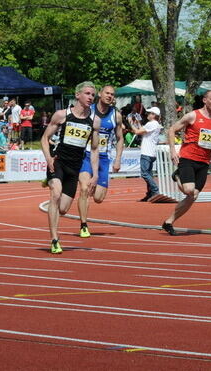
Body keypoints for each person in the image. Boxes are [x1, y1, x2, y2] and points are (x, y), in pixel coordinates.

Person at [40, 82, 101, 254]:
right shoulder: (61, 115)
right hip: (58, 162)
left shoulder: (95, 121)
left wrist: (95, 174)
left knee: (63, 208)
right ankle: (54, 239)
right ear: (77, 95)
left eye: (92, 95)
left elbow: (95, 149)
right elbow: (44, 139)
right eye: (87, 94)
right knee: (55, 194)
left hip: (75, 168)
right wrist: (49, 159)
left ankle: (51, 183)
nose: (91, 97)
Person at [162, 90, 211, 235]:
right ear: (204, 100)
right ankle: (178, 175)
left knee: (193, 196)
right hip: (188, 158)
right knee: (189, 190)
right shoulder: (193, 116)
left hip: (204, 162)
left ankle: (169, 222)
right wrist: (172, 150)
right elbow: (172, 130)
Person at [76, 85, 124, 237]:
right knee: (84, 189)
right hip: (86, 156)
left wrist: (117, 159)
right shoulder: (88, 111)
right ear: (100, 94)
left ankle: (87, 199)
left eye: (112, 94)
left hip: (103, 158)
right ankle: (84, 225)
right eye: (107, 93)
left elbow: (120, 138)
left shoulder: (116, 115)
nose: (110, 96)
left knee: (98, 198)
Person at [129, 106, 162, 202]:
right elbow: (143, 130)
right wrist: (138, 122)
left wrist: (130, 122)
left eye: (149, 113)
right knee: (149, 174)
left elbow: (137, 131)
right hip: (151, 152)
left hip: (146, 152)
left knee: (144, 174)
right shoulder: (154, 124)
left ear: (154, 115)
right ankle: (150, 194)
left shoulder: (152, 124)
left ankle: (155, 191)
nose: (147, 114)